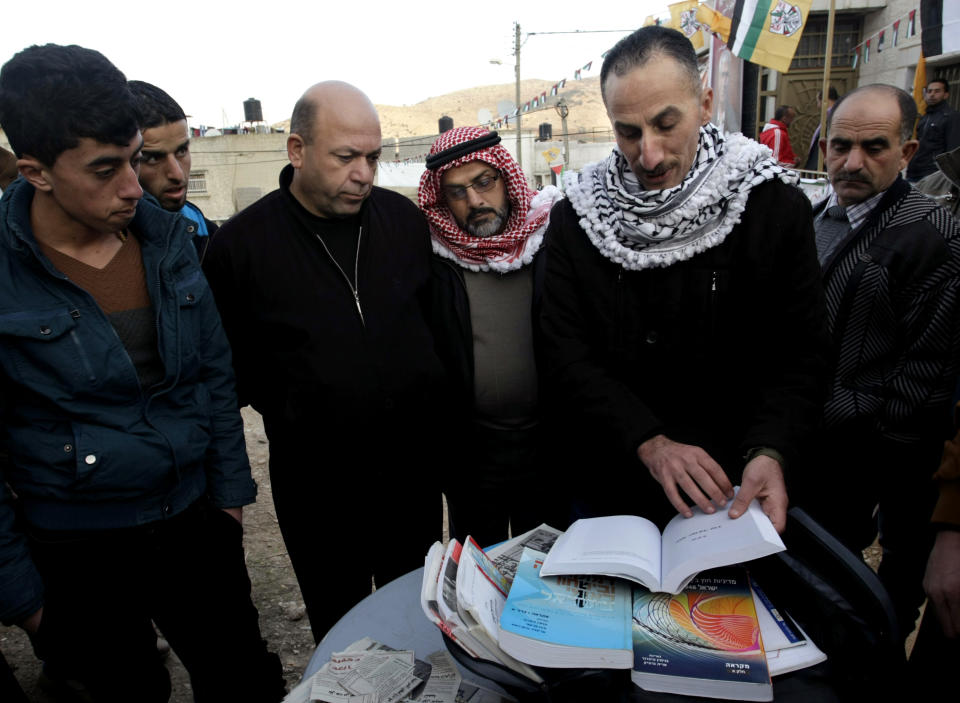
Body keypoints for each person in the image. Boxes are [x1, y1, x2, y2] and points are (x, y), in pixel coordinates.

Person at [0, 44, 285, 702]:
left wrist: (229, 504)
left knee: (244, 680)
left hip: (195, 524)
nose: (135, 185)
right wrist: (27, 602)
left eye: (135, 158)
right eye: (106, 169)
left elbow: (213, 380)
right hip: (77, 552)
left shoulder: (166, 240)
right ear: (35, 171)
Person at [538, 26, 829, 534]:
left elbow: (800, 352)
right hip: (612, 487)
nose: (647, 156)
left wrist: (772, 449)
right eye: (628, 132)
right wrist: (647, 441)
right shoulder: (578, 219)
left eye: (665, 124)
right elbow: (564, 352)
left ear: (705, 104)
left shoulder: (771, 208)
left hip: (731, 496)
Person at [203, 81, 447, 642]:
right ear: (297, 150)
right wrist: (300, 405)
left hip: (410, 481)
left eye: (373, 157)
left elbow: (432, 330)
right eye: (346, 157)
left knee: (414, 624)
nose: (364, 173)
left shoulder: (404, 222)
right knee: (341, 635)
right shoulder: (241, 247)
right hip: (317, 490)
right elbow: (227, 374)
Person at [808, 83, 960, 642]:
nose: (853, 162)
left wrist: (876, 462)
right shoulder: (815, 218)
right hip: (813, 450)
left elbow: (927, 374)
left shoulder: (932, 235)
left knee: (877, 604)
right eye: (841, 145)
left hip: (876, 461)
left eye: (874, 147)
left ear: (908, 151)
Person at [418, 126, 564, 546]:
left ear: (507, 178)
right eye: (457, 192)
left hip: (548, 447)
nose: (475, 201)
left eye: (485, 182)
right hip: (473, 455)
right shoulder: (434, 258)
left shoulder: (549, 241)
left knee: (544, 570)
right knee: (479, 572)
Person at [128, 80, 218, 261]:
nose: (177, 174)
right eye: (153, 158)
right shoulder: (111, 249)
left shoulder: (212, 237)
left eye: (182, 151)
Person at [907, 78, 960, 182]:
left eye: (937, 91)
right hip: (914, 172)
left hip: (933, 175)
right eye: (929, 91)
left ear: (946, 95)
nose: (932, 95)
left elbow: (953, 150)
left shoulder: (951, 116)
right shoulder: (924, 117)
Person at [804, 86, 838, 172]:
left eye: (818, 101)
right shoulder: (826, 116)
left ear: (824, 100)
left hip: (822, 165)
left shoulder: (835, 115)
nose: (818, 105)